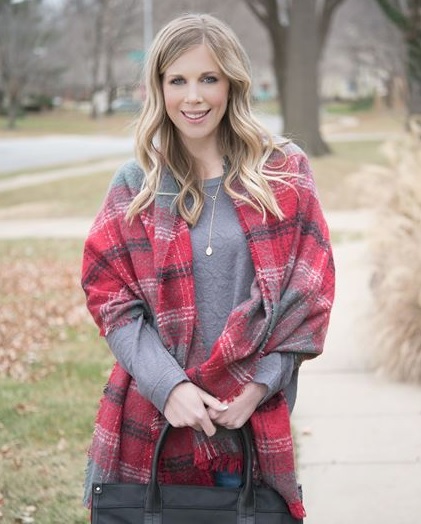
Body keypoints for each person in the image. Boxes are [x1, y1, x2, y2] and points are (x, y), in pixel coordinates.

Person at [81, 13, 335, 520]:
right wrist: (169, 387)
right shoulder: (137, 185)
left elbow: (310, 298)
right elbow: (111, 298)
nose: (193, 97)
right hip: (154, 421)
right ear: (159, 88)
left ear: (232, 84)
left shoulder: (283, 172)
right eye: (178, 80)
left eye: (208, 79)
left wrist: (259, 386)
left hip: (249, 421)